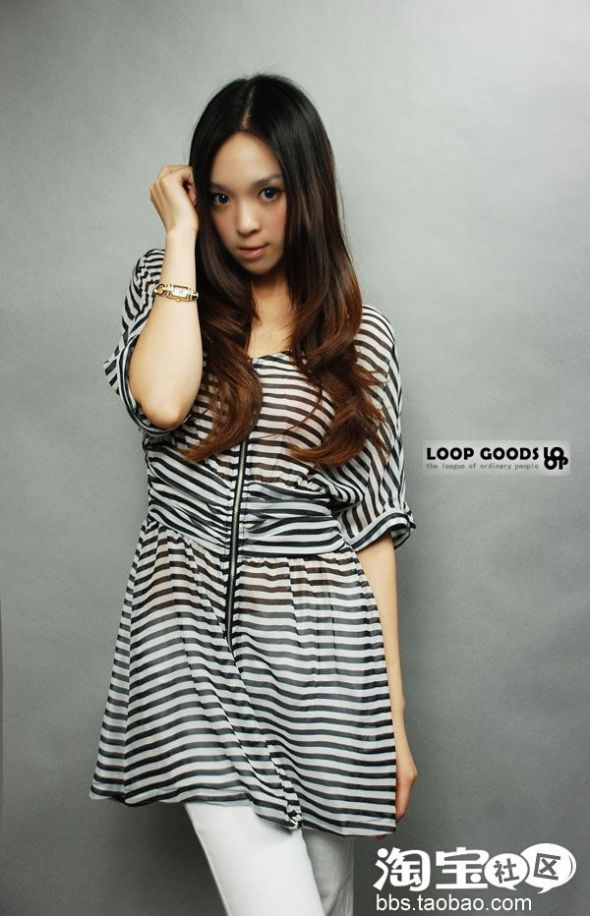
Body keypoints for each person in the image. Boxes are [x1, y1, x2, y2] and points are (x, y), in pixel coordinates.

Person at [89, 72, 418, 916]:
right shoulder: (166, 287)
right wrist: (178, 238)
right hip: (189, 647)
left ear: (307, 189)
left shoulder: (360, 338)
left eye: (269, 193)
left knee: (328, 903)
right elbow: (163, 401)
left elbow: (371, 533)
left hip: (326, 667)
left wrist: (392, 720)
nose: (244, 223)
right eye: (222, 197)